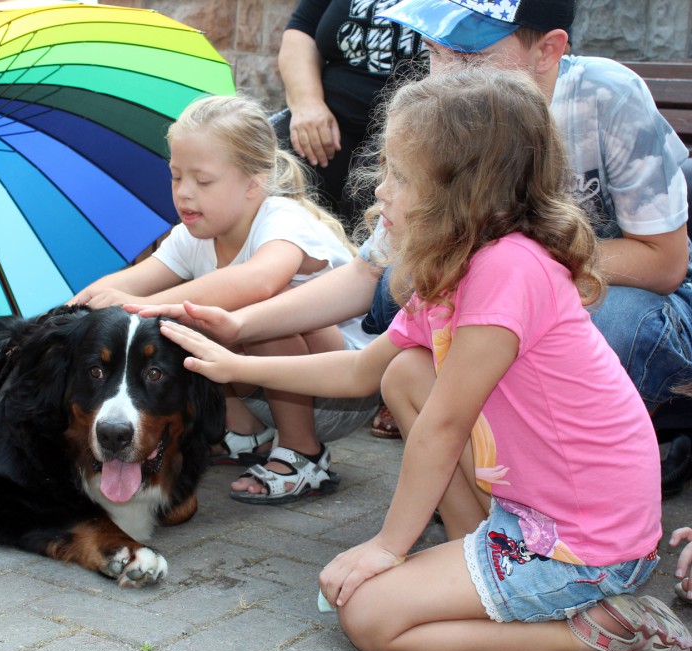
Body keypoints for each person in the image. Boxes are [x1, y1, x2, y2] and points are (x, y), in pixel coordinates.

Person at [158, 67, 691, 651]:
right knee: (406, 372)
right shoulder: (457, 265)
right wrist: (232, 363)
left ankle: (600, 631)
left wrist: (389, 546)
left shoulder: (508, 269)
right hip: (535, 511)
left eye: (401, 176)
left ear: (463, 190)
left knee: (369, 617)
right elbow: (361, 373)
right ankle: (475, 556)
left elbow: (443, 426)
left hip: (584, 543)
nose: (381, 191)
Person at [142, 0, 692, 451]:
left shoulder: (604, 98)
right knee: (398, 283)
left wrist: (508, 267)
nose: (446, 76)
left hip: (631, 298)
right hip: (499, 287)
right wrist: (240, 326)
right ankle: (480, 455)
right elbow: (366, 273)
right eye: (434, 53)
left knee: (608, 322)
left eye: (470, 57)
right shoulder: (449, 120)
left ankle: (608, 450)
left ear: (548, 50)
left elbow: (664, 263)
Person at [71, 94, 379, 504]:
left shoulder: (283, 218)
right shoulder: (191, 235)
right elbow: (128, 283)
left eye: (202, 181)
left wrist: (149, 305)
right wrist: (71, 314)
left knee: (246, 308)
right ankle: (245, 433)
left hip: (342, 393)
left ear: (253, 182)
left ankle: (303, 452)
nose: (184, 193)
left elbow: (260, 281)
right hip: (270, 392)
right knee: (192, 321)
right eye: (176, 176)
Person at [273, 0, 423, 226]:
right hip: (329, 117)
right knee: (273, 159)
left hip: (415, 123)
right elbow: (302, 31)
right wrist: (307, 103)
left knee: (372, 182)